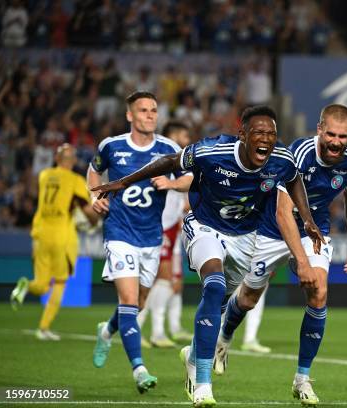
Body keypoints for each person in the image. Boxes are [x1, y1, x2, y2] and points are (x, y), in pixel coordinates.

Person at [91, 105, 323, 407]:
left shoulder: (281, 158)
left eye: (271, 133)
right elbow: (169, 161)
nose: (266, 138)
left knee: (222, 300)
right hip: (204, 225)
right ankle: (202, 383)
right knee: (213, 285)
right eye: (258, 132)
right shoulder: (212, 151)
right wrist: (124, 181)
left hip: (245, 237)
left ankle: (193, 352)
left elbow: (294, 180)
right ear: (243, 134)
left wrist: (306, 218)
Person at [213, 104, 347, 406]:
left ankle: (302, 379)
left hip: (314, 231)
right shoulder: (297, 154)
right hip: (271, 229)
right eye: (331, 134)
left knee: (318, 291)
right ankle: (224, 338)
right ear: (320, 129)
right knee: (247, 299)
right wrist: (302, 263)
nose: (336, 141)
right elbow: (284, 213)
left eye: (343, 136)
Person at [87, 91, 191, 393]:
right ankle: (139, 370)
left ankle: (106, 331)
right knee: (130, 301)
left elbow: (189, 178)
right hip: (120, 233)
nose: (149, 115)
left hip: (151, 237)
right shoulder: (112, 146)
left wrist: (171, 183)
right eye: (143, 110)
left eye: (154, 110)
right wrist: (96, 196)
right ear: (130, 115)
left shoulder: (169, 148)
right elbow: (94, 170)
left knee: (139, 302)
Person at [10, 144, 99, 340]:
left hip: (40, 233)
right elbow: (87, 210)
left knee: (41, 284)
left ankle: (26, 285)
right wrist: (95, 222)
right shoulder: (75, 180)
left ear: (56, 159)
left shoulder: (44, 176)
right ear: (73, 161)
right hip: (61, 236)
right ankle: (43, 328)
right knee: (59, 282)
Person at [137, 120, 193, 348]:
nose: (187, 141)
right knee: (156, 279)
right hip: (156, 224)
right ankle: (139, 328)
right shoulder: (162, 157)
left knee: (164, 280)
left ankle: (156, 330)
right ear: (172, 136)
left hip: (169, 224)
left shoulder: (180, 161)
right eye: (184, 136)